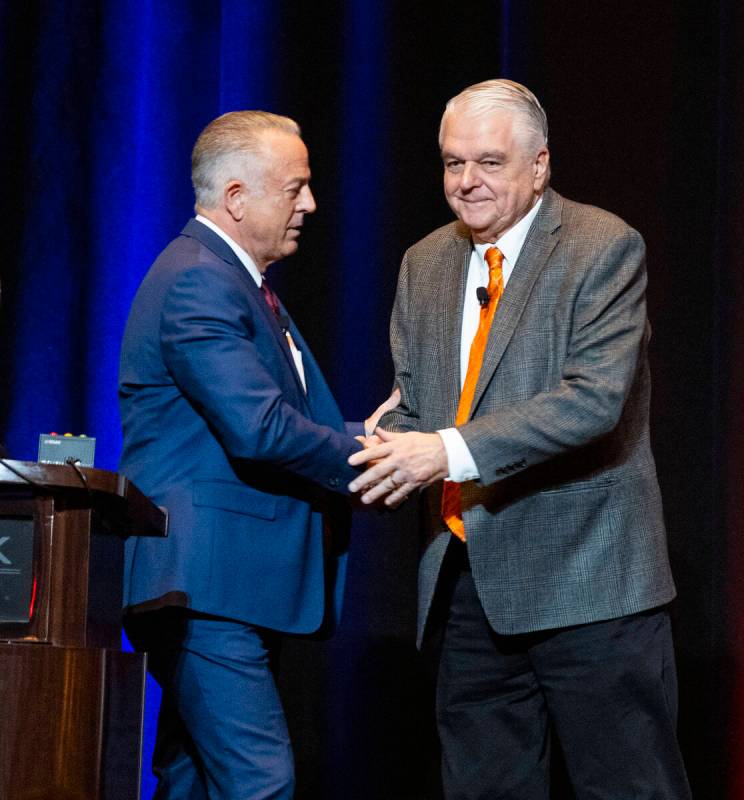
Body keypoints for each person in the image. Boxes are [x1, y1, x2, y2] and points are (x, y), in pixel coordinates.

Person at [349, 79, 691, 798]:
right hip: (469, 589)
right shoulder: (424, 262)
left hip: (590, 584)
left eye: (489, 162)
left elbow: (593, 401)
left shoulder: (603, 247)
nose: (466, 181)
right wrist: (385, 445)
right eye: (451, 163)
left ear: (539, 166)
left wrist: (442, 449)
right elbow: (417, 405)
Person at [119, 110, 396, 799]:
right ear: (237, 198)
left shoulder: (238, 282)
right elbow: (259, 428)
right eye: (294, 187)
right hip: (207, 585)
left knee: (192, 781)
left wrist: (368, 435)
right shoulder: (199, 280)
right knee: (259, 784)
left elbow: (277, 417)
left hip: (226, 584)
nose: (310, 204)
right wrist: (370, 457)